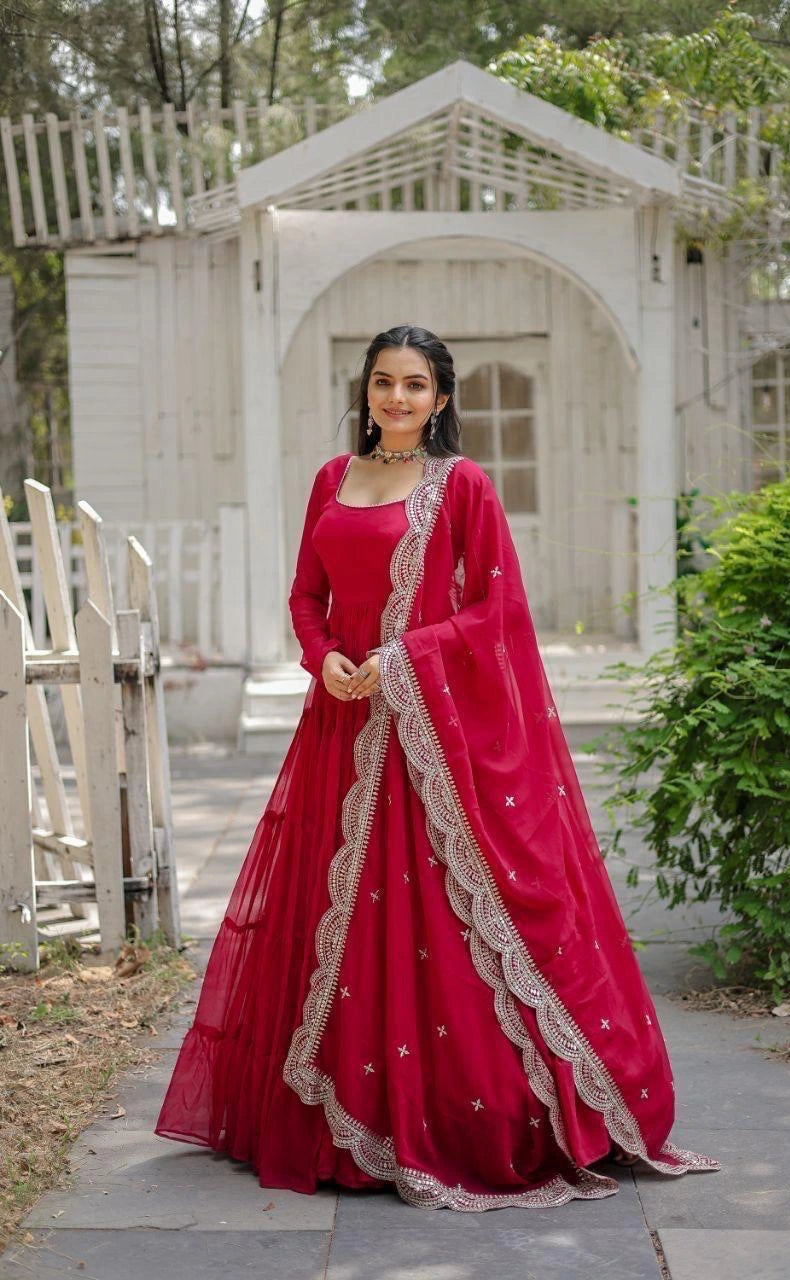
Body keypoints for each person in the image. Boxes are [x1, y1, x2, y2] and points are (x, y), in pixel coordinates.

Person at [154, 324, 719, 1210]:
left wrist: (404, 657)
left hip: (430, 737)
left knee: (439, 923)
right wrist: (321, 658)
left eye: (414, 384)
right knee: (333, 919)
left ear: (440, 398)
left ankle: (458, 1114)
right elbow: (306, 595)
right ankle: (336, 1121)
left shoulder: (462, 486)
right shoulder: (331, 480)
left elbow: (499, 607)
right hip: (341, 730)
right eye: (383, 382)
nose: (396, 398)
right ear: (366, 390)